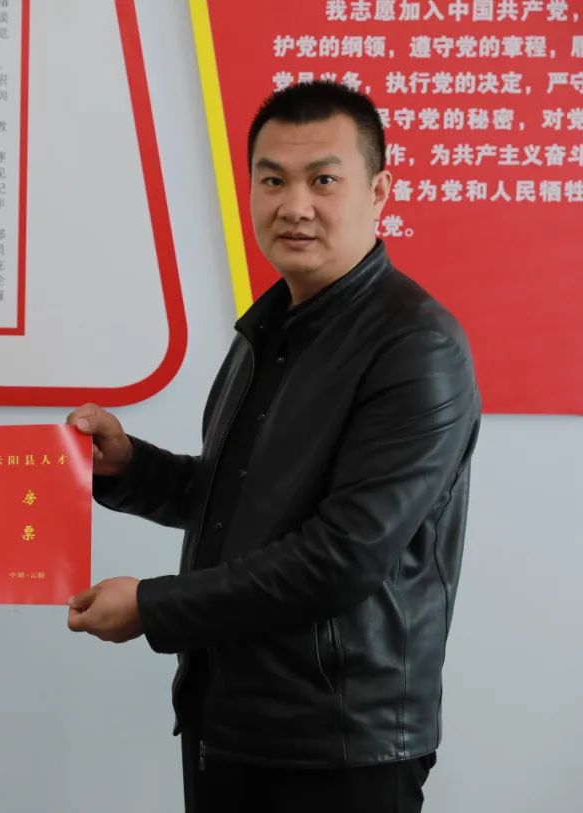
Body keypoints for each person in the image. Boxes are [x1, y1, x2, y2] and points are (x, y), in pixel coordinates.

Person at [65, 81, 480, 813]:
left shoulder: (416, 346)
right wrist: (130, 465)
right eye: (273, 180)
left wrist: (154, 607)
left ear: (379, 191)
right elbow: (241, 503)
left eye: (323, 180)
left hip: (339, 745)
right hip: (230, 721)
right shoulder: (271, 328)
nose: (295, 205)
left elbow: (341, 556)